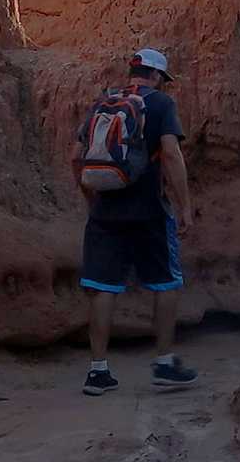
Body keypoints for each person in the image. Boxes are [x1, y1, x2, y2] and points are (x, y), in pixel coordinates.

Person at [71, 48, 197, 395]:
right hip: (150, 212)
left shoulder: (103, 103)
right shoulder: (160, 104)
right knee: (165, 283)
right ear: (157, 77)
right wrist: (184, 206)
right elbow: (170, 153)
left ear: (132, 72)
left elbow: (75, 157)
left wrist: (90, 199)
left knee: (102, 288)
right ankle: (165, 364)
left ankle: (98, 372)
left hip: (104, 212)